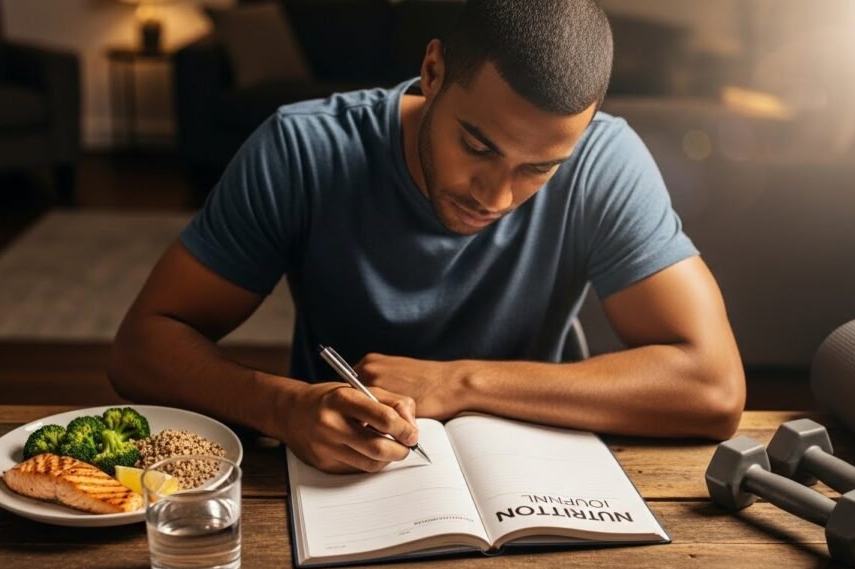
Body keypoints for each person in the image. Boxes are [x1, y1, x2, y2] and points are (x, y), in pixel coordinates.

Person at [109, 0, 745, 474]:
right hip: (338, 472)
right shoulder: (302, 149)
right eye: (477, 145)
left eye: (538, 169)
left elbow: (713, 387)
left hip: (539, 471)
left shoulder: (605, 160)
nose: (495, 197)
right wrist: (284, 408)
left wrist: (460, 383)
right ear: (434, 70)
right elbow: (142, 345)